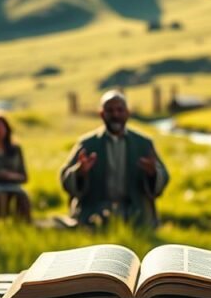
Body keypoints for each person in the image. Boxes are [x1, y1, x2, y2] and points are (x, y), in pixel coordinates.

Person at [60, 90, 169, 227]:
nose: (115, 115)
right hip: (94, 211)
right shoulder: (87, 144)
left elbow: (163, 176)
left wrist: (153, 173)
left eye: (119, 110)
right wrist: (80, 172)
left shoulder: (143, 143)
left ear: (127, 113)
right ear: (101, 114)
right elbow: (65, 178)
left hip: (136, 213)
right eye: (110, 111)